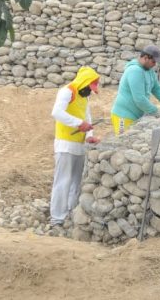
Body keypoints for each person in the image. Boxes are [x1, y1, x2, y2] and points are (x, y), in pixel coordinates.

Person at [50, 66, 100, 226]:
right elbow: (56, 112)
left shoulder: (84, 98)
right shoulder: (67, 91)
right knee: (63, 181)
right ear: (83, 83)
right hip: (65, 144)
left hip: (79, 146)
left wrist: (90, 136)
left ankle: (71, 213)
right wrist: (79, 124)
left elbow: (88, 118)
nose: (90, 92)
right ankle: (57, 218)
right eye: (89, 88)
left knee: (76, 182)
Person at [110, 44, 160, 136]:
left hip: (136, 114)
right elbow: (139, 98)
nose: (154, 64)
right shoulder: (135, 71)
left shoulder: (149, 70)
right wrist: (155, 111)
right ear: (146, 58)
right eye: (153, 61)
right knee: (124, 142)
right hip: (124, 116)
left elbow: (156, 88)